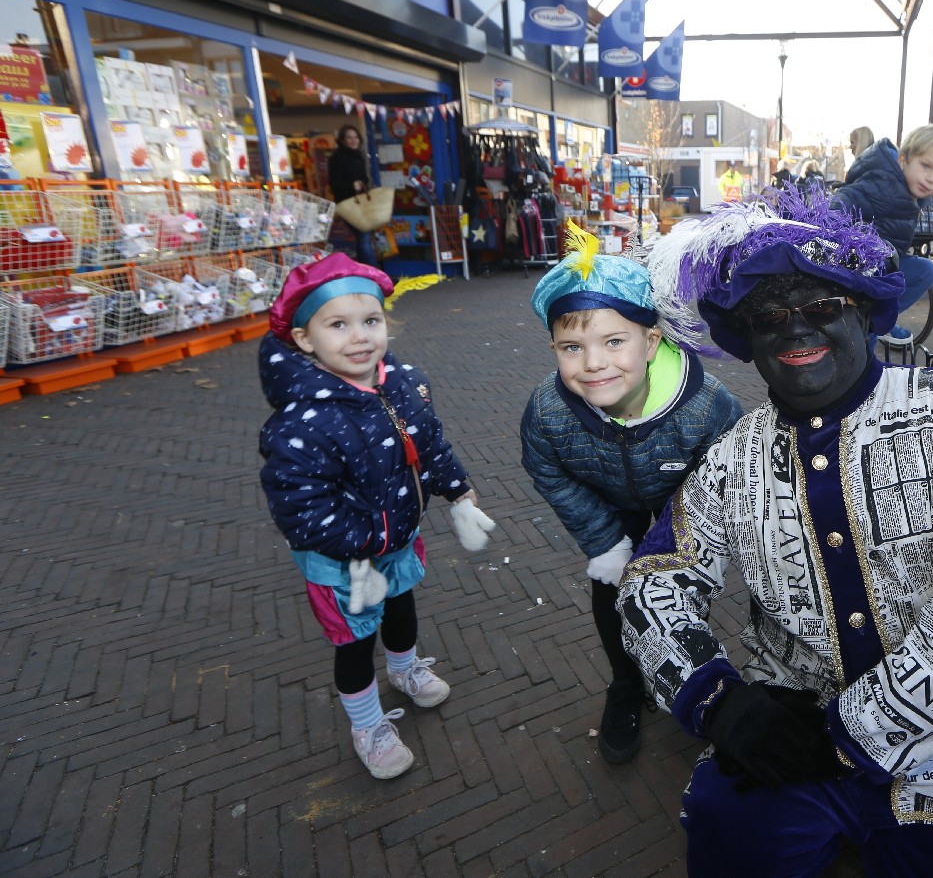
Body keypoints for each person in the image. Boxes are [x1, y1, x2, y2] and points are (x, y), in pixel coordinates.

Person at [622, 191, 933, 877]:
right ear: (748, 339)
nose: (795, 330)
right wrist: (720, 702)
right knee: (725, 839)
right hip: (785, 738)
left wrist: (853, 734)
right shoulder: (734, 454)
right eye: (769, 317)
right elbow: (652, 582)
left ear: (863, 313)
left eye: (821, 307)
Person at [258, 253, 496, 780]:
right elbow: (300, 506)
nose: (360, 337)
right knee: (354, 641)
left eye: (370, 320)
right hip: (345, 560)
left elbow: (428, 444)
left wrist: (457, 489)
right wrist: (361, 546)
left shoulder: (401, 382)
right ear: (303, 339)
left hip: (397, 540)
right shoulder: (302, 421)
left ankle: (405, 669)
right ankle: (367, 725)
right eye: (338, 325)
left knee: (402, 609)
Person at [520, 222, 743, 764]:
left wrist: (684, 536)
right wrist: (603, 541)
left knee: (674, 590)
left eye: (614, 341)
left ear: (651, 341)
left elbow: (729, 468)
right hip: (609, 502)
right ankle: (625, 682)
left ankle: (691, 677)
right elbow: (547, 469)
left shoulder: (706, 405)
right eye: (572, 347)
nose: (594, 363)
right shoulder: (548, 411)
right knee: (612, 587)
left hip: (681, 500)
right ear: (553, 348)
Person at [831, 123, 933, 345]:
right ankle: (869, 323)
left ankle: (875, 320)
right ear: (903, 159)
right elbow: (846, 197)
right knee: (862, 347)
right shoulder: (882, 184)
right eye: (925, 166)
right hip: (857, 269)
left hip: (881, 268)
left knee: (925, 270)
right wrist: (834, 219)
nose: (931, 178)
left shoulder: (912, 196)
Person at [327, 123, 378, 269]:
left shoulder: (358, 156)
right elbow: (333, 184)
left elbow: (363, 179)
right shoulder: (337, 158)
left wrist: (364, 184)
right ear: (343, 141)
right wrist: (351, 185)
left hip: (359, 203)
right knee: (364, 235)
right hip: (348, 205)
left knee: (363, 237)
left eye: (356, 137)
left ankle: (365, 271)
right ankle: (373, 271)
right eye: (349, 137)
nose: (353, 140)